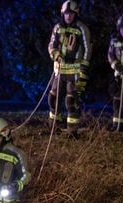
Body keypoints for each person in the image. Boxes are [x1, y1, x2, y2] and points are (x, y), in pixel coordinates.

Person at [47, 1, 91, 135]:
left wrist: (84, 67)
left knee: (71, 101)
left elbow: (88, 47)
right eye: (66, 13)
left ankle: (72, 131)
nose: (68, 16)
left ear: (76, 14)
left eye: (71, 13)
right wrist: (56, 54)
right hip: (59, 70)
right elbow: (51, 46)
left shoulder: (81, 28)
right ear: (62, 14)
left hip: (74, 71)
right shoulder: (57, 28)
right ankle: (54, 127)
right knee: (53, 99)